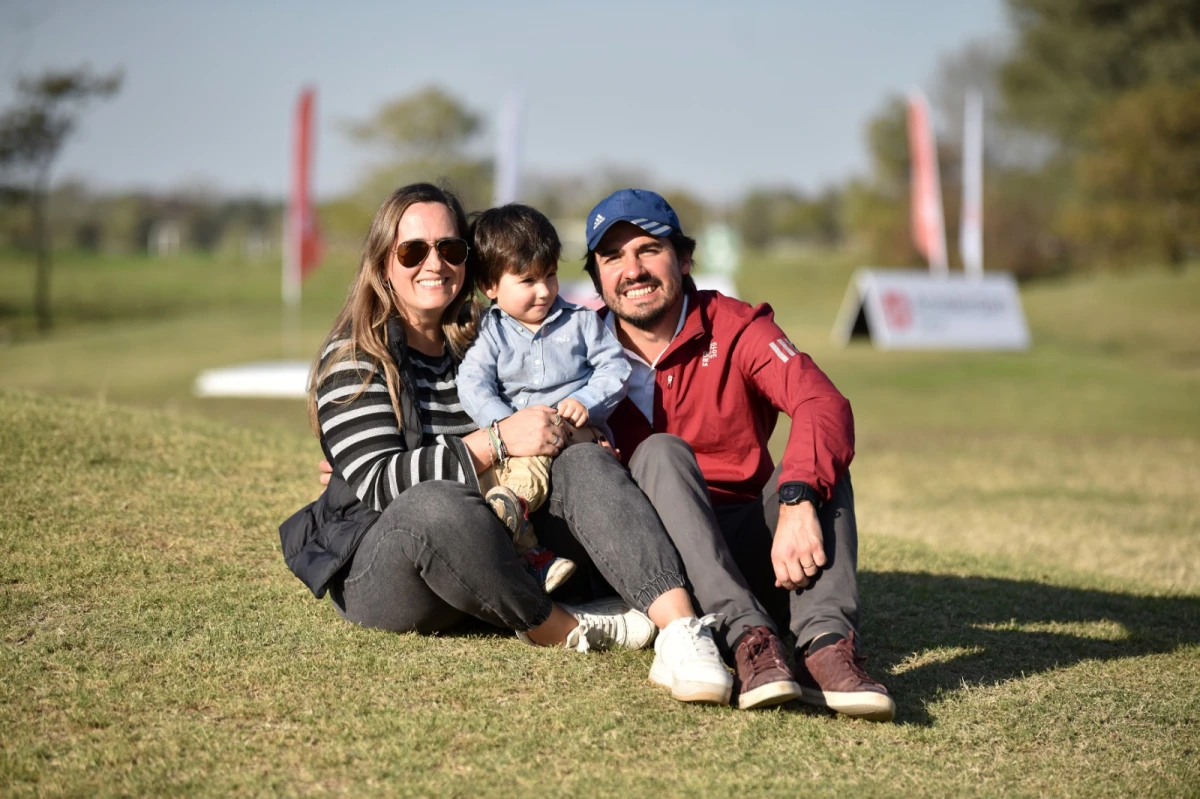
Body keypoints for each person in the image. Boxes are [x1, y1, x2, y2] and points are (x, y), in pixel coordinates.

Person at [279, 182, 738, 706]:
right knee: (437, 502)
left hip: (501, 544)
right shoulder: (356, 357)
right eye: (413, 250)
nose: (435, 263)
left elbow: (549, 408)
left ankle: (681, 630)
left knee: (584, 459)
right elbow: (382, 483)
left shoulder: (486, 334)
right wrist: (495, 441)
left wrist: (574, 429)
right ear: (384, 262)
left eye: (450, 249)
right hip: (389, 568)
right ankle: (564, 627)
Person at [581, 188, 897, 722]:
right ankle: (747, 638)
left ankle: (824, 646)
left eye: (648, 250)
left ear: (683, 258)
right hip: (654, 567)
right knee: (658, 452)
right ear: (596, 276)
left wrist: (796, 498)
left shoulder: (735, 325)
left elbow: (821, 401)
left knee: (817, 469)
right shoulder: (578, 342)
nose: (631, 269)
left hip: (751, 546)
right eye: (612, 257)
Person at [458, 204, 631, 594]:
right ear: (490, 286)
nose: (544, 290)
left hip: (568, 434)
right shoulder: (489, 332)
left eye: (550, 275)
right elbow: (472, 383)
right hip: (511, 442)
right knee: (481, 487)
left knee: (519, 484)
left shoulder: (581, 321)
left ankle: (516, 528)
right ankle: (528, 556)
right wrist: (505, 426)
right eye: (528, 280)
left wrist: (587, 400)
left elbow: (615, 368)